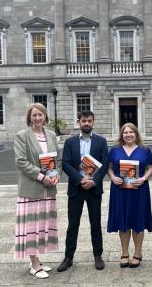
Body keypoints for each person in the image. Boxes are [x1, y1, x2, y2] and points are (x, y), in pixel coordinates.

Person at [58, 110, 109, 272]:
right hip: (76, 188)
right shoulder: (70, 142)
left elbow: (105, 164)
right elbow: (65, 163)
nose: (86, 123)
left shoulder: (101, 141)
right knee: (73, 224)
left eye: (89, 121)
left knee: (95, 224)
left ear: (93, 122)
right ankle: (68, 257)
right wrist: (80, 180)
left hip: (93, 189)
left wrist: (93, 181)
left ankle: (98, 255)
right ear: (78, 122)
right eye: (83, 121)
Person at [14, 103, 60, 279]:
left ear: (45, 116)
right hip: (32, 188)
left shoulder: (51, 135)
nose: (37, 118)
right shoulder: (22, 136)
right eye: (34, 115)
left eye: (40, 115)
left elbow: (58, 159)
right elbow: (21, 161)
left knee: (42, 226)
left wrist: (56, 176)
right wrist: (42, 177)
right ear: (29, 118)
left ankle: (37, 259)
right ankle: (34, 265)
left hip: (49, 189)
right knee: (31, 227)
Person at [107, 122, 152, 268]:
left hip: (139, 190)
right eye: (125, 132)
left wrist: (143, 178)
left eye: (131, 132)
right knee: (123, 221)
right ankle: (125, 253)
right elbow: (109, 168)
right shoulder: (114, 150)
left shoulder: (144, 150)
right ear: (122, 135)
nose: (128, 135)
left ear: (136, 134)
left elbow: (151, 168)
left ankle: (138, 253)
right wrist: (112, 177)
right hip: (120, 190)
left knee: (137, 221)